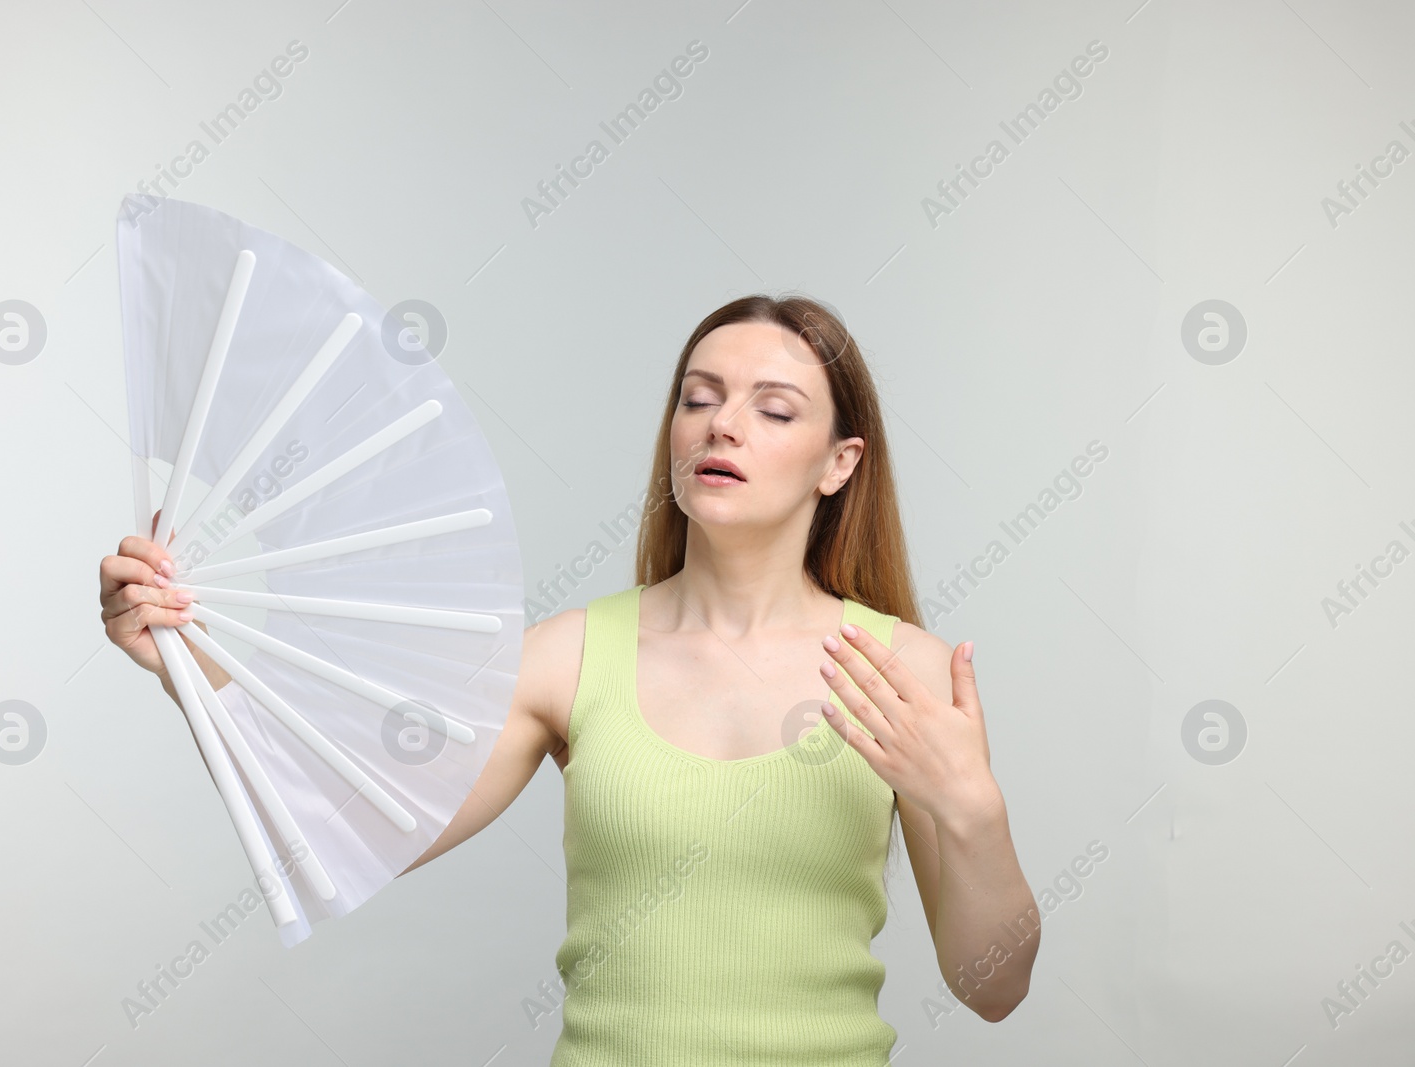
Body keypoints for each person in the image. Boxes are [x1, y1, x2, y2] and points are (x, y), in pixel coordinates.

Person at [98, 293, 1038, 1064]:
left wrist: (973, 810)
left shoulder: (903, 674)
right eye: (699, 397)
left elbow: (991, 987)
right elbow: (348, 832)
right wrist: (186, 664)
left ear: (840, 463)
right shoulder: (570, 655)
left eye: (775, 408)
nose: (725, 425)